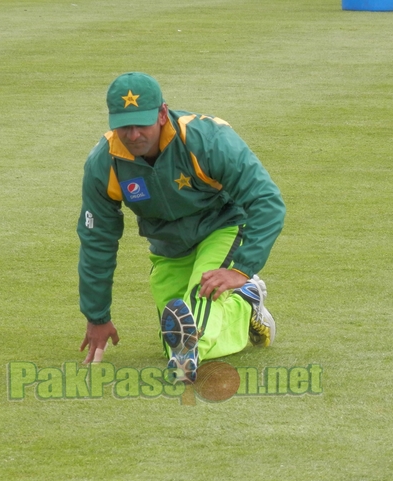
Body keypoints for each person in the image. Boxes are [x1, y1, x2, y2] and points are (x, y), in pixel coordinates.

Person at [77, 72, 285, 382]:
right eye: (124, 126)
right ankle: (245, 303)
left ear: (162, 114)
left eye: (141, 124)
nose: (133, 135)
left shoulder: (208, 140)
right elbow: (97, 241)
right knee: (175, 334)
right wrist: (97, 316)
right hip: (169, 249)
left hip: (223, 228)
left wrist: (240, 268)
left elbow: (268, 201)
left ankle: (206, 332)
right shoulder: (104, 164)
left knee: (194, 319)